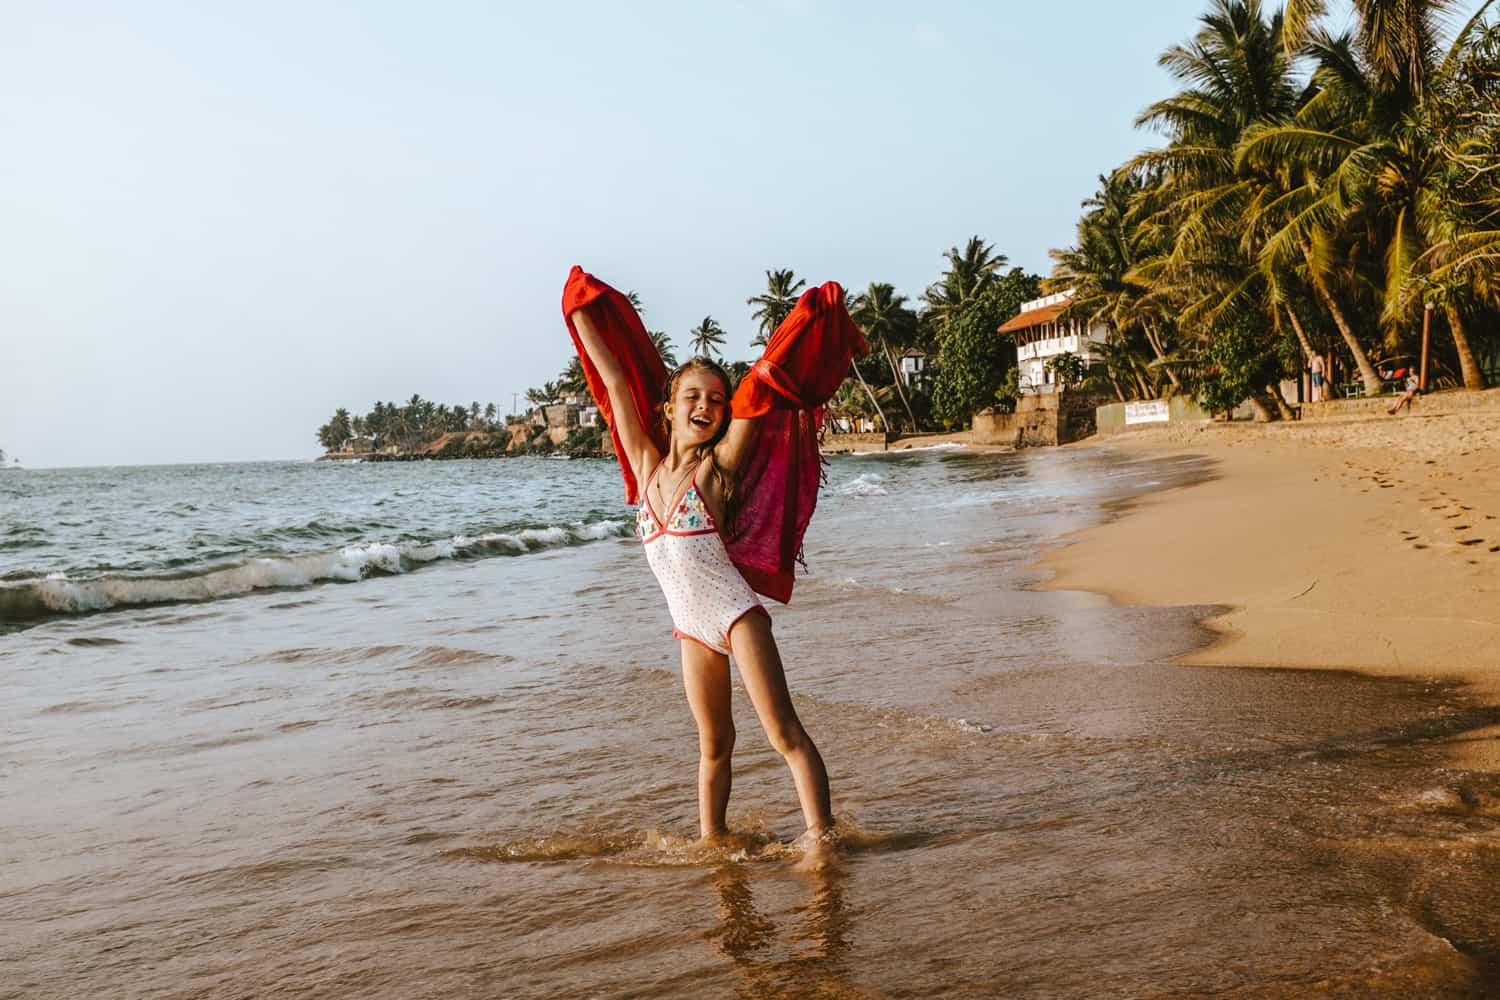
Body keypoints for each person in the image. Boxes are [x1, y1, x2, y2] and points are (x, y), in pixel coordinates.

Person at [562, 266, 864, 855]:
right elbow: (617, 385)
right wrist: (580, 316)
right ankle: (713, 844)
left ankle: (821, 841)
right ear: (670, 406)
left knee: (783, 734)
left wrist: (808, 329)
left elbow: (756, 398)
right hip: (690, 630)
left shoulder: (718, 467)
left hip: (735, 616)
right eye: (693, 397)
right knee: (713, 746)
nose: (706, 405)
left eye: (716, 400)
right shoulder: (649, 468)